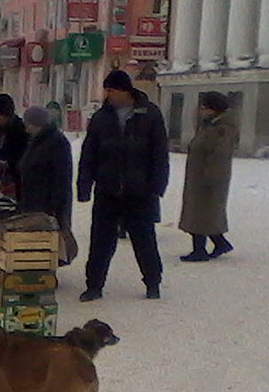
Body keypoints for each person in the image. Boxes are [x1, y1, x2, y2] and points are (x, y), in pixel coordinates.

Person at [76, 69, 170, 301]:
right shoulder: (101, 117)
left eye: (111, 90)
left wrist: (157, 186)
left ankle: (152, 283)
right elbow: (89, 152)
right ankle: (94, 286)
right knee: (100, 242)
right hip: (107, 189)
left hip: (140, 191)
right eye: (106, 90)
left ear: (124, 90)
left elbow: (159, 153)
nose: (108, 95)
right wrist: (84, 184)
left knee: (144, 240)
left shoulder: (149, 114)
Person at [178, 91, 238, 261]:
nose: (200, 110)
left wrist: (211, 177)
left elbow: (219, 156)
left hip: (207, 179)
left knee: (201, 215)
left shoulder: (221, 129)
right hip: (199, 177)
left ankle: (200, 250)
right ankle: (220, 243)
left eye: (204, 107)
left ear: (214, 109)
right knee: (202, 214)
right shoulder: (210, 125)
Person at [16, 106, 75, 263]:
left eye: (29, 125)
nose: (26, 129)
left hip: (47, 203)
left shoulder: (57, 143)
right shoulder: (37, 140)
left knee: (46, 240)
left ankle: (45, 271)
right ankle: (36, 267)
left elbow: (62, 177)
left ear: (38, 124)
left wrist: (57, 208)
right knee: (36, 240)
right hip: (33, 200)